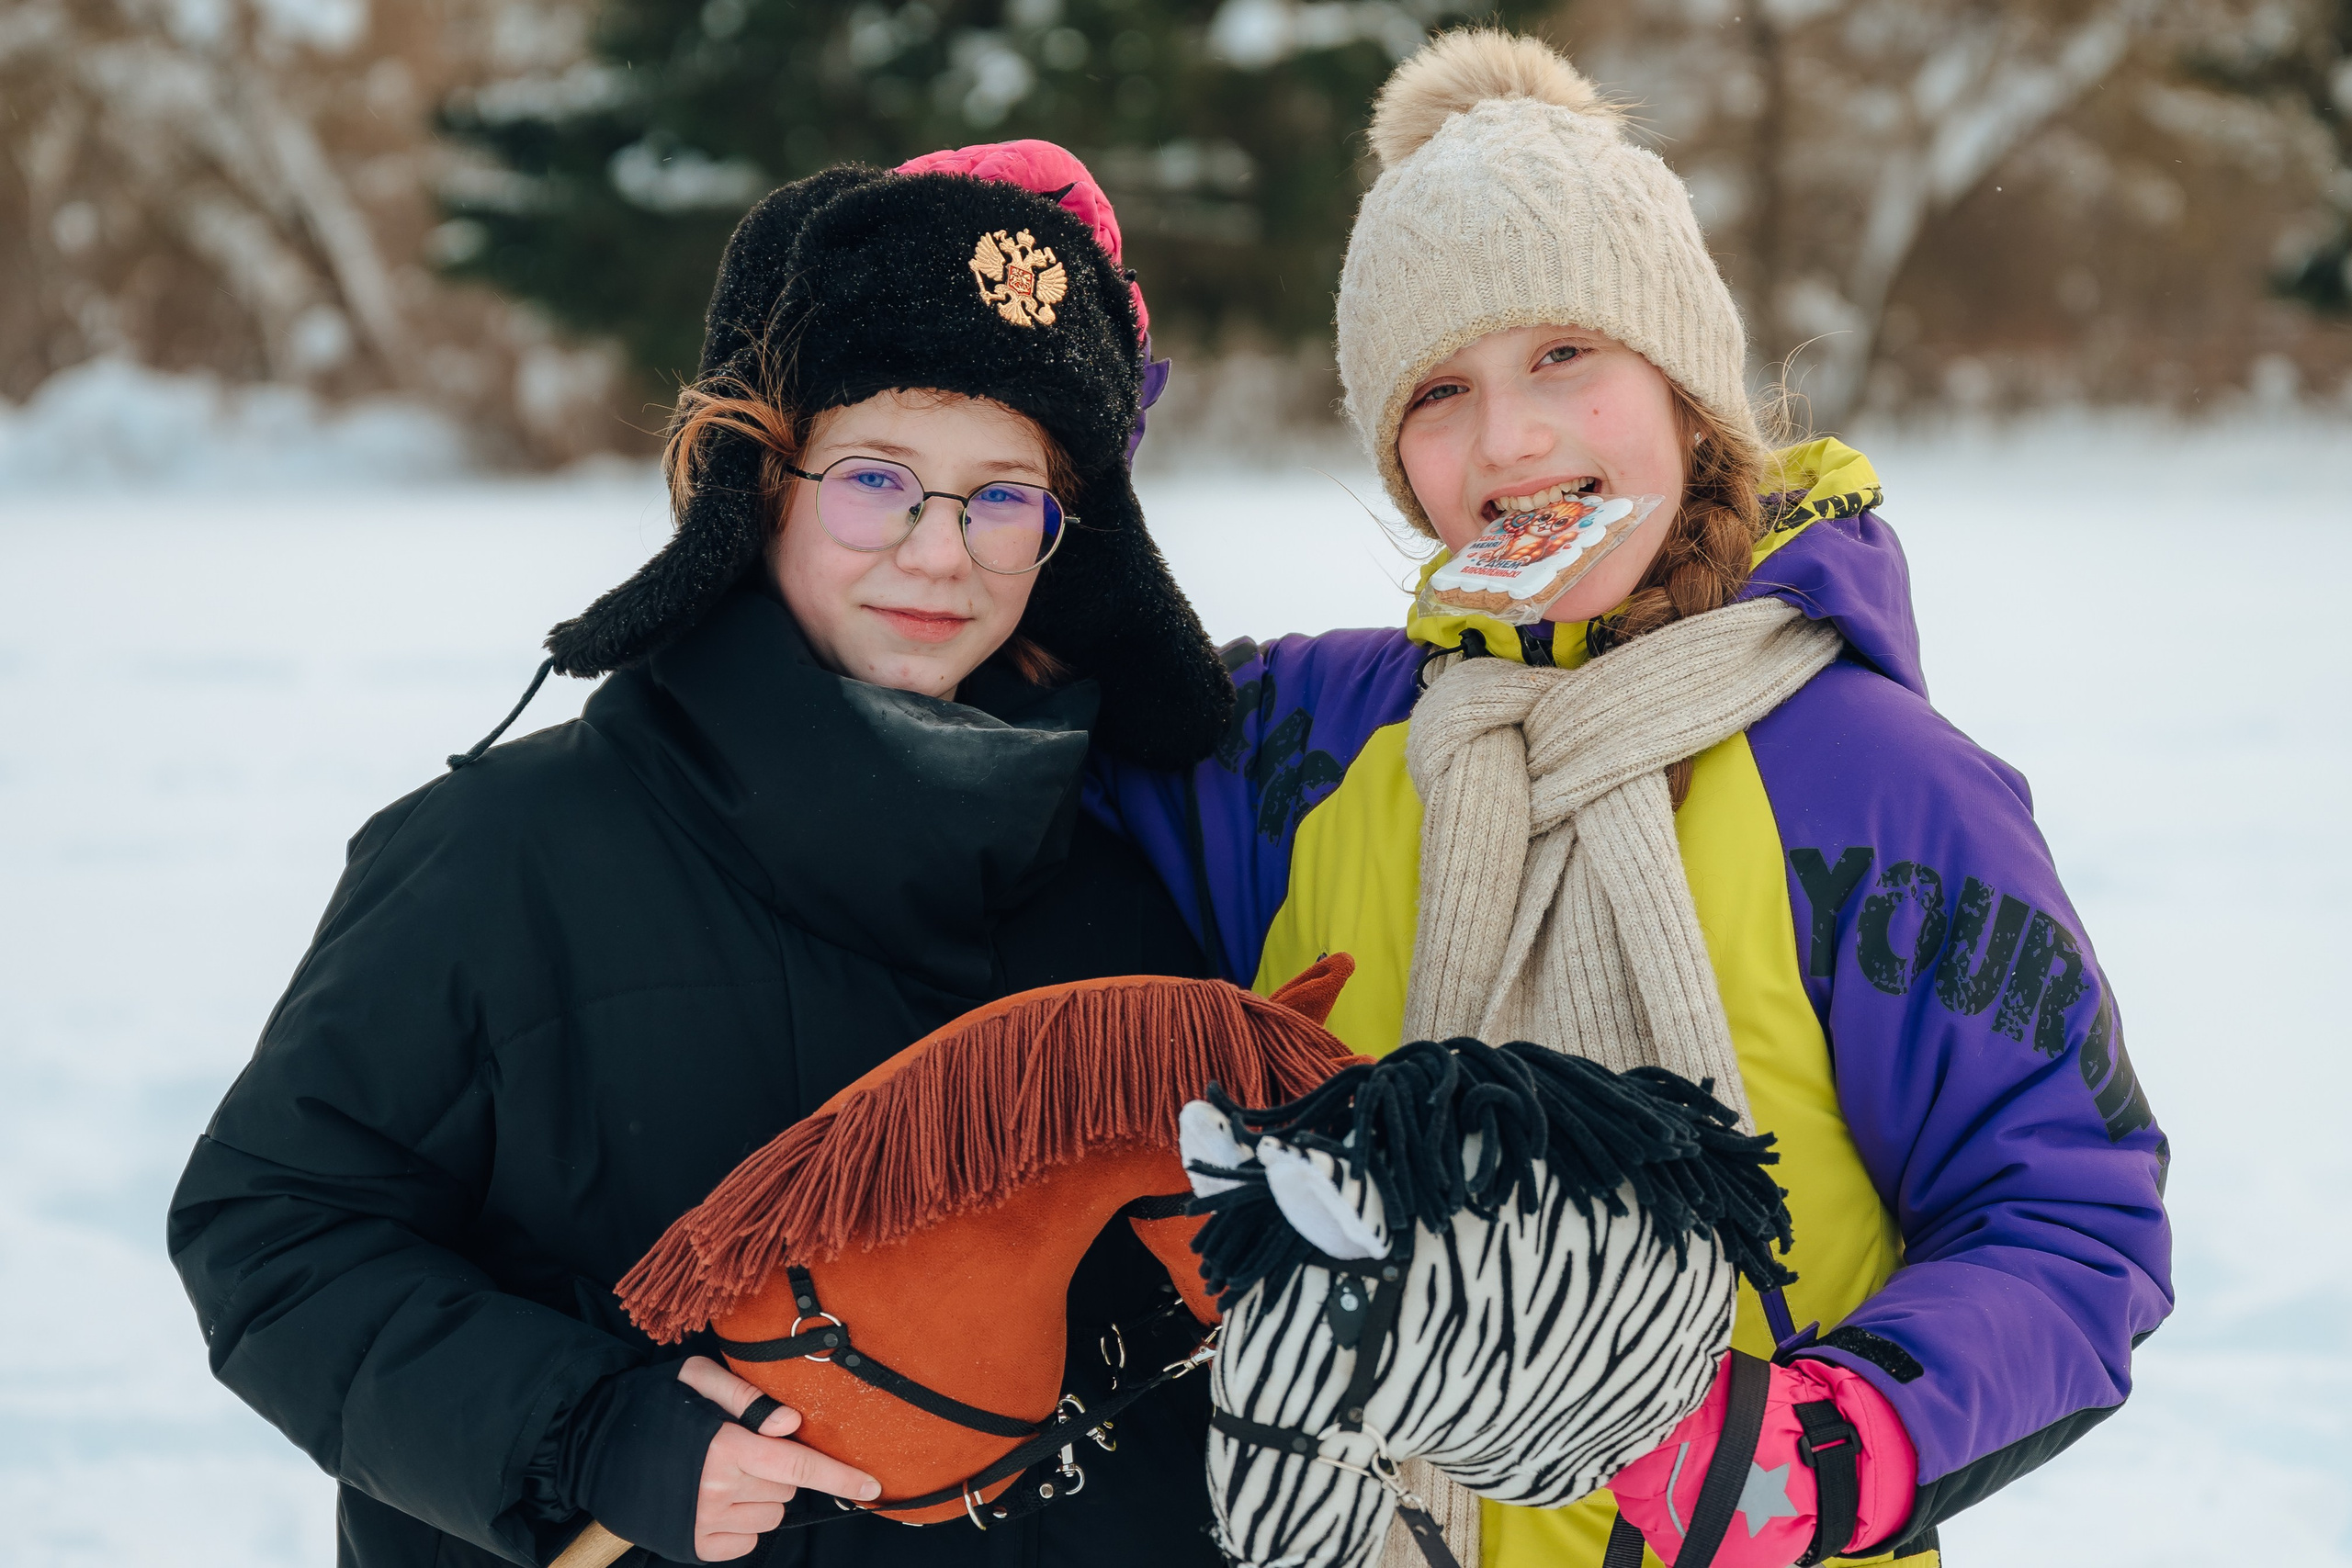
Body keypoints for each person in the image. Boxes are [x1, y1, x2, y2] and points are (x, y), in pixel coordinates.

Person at [1089, 31, 2173, 1568]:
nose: (1510, 441)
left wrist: (1845, 1437)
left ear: (1682, 388)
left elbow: (2070, 1215)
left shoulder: (1878, 782)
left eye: (1563, 358)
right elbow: (1003, 734)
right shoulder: (1310, 743)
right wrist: (1039, 424)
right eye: (1441, 391)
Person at [168, 143, 1236, 1568]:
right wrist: (590, 1433)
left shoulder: (1118, 890)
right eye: (876, 479)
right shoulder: (502, 859)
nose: (941, 553)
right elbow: (277, 1230)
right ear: (759, 482)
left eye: (1005, 497)